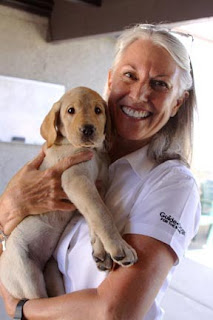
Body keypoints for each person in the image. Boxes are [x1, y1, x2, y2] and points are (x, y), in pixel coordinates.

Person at [0, 24, 201, 320]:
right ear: (110, 80)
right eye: (129, 75)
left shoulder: (173, 185)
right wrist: (9, 207)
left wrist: (21, 309)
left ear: (177, 103)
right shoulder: (88, 160)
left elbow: (114, 311)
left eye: (160, 84)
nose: (140, 94)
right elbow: (16, 236)